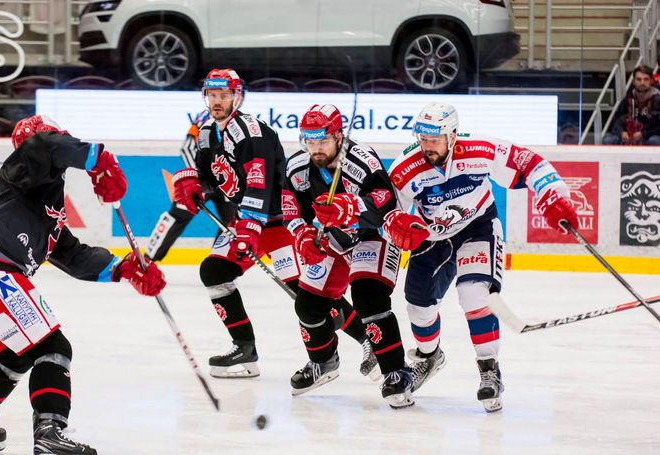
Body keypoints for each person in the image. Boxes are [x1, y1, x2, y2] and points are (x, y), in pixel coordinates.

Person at [0, 115, 166, 454]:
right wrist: (99, 160)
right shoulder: (30, 156)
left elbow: (72, 255)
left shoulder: (38, 202)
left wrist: (125, 269)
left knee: (18, 352)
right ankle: (50, 433)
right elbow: (46, 144)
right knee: (53, 347)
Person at [171, 69, 376, 379]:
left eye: (223, 95)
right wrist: (193, 184)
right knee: (214, 271)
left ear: (237, 96)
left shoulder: (251, 131)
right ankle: (244, 348)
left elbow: (260, 180)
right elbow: (210, 177)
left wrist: (250, 224)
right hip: (248, 222)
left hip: (281, 223)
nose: (217, 101)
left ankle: (368, 341)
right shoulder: (206, 134)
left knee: (307, 293)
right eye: (212, 95)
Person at [383, 102, 578, 412]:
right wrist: (394, 223)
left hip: (478, 227)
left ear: (453, 135)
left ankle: (489, 371)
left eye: (434, 139)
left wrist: (553, 193)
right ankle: (428, 356)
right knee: (417, 307)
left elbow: (529, 163)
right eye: (422, 138)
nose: (426, 146)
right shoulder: (407, 166)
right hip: (432, 237)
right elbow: (386, 206)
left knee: (473, 293)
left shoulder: (480, 150)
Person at [283, 103, 415, 408]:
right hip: (336, 239)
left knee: (368, 299)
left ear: (338, 136)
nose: (316, 149)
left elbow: (385, 203)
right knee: (308, 304)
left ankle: (397, 372)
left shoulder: (362, 161)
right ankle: (324, 362)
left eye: (323, 141)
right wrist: (302, 234)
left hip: (374, 236)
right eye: (310, 141)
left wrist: (351, 207)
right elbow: (290, 205)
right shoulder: (298, 167)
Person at [145, 108, 238, 262]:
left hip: (226, 182)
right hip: (203, 181)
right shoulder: (208, 115)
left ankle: (216, 263)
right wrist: (197, 176)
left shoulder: (238, 119)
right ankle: (147, 261)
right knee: (177, 216)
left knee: (231, 222)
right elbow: (187, 148)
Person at [603, 65, 660, 145]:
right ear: (633, 81)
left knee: (654, 140)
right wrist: (622, 133)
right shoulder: (628, 99)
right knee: (608, 140)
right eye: (639, 79)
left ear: (651, 81)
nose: (642, 83)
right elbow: (616, 121)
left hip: (649, 137)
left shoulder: (658, 99)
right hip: (629, 136)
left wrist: (643, 134)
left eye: (646, 79)